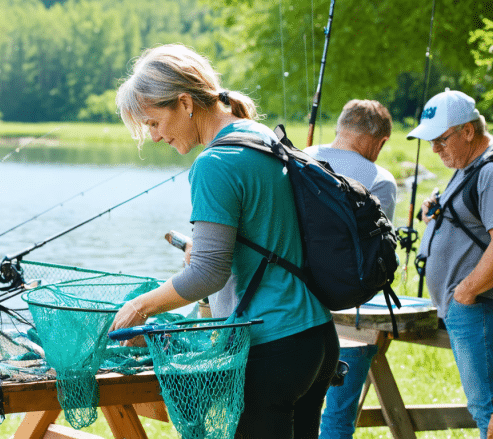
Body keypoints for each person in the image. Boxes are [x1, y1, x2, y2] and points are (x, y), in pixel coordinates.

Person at [110, 44, 339, 438]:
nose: (155, 136)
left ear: (185, 102)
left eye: (153, 122)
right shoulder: (259, 135)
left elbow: (207, 275)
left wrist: (140, 306)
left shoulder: (214, 164)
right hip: (315, 339)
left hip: (270, 345)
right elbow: (267, 230)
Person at [305, 100, 397, 439]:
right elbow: (376, 253)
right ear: (380, 140)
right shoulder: (380, 180)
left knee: (294, 409)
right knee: (338, 415)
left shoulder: (298, 157)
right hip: (352, 314)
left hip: (295, 306)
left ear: (341, 128)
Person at [414, 88, 493, 439]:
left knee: (486, 408)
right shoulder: (467, 165)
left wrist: (466, 292)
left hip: (477, 307)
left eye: (441, 140)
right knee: (482, 407)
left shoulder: (489, 170)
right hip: (465, 307)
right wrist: (436, 205)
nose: (434, 149)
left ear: (468, 131)